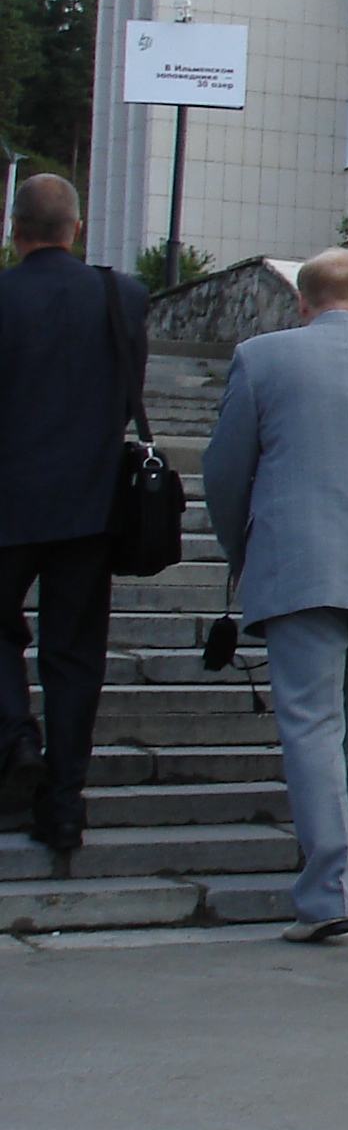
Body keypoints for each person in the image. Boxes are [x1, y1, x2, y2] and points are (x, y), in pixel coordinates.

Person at [201, 250, 348, 942]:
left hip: (297, 558)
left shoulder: (261, 359)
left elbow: (225, 472)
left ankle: (329, 883)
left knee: (310, 720)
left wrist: (243, 550)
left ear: (301, 302)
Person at [0, 175, 149, 855]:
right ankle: (63, 805)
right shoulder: (123, 298)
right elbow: (126, 395)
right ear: (77, 230)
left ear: (14, 228)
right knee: (74, 657)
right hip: (90, 506)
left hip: (8, 502)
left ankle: (14, 735)